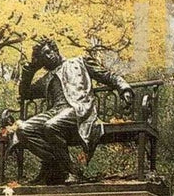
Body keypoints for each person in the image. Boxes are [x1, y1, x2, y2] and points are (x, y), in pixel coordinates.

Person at [10, 38, 133, 185]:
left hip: (78, 109)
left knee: (51, 126)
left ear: (55, 49)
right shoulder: (47, 78)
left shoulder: (80, 62)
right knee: (23, 129)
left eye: (49, 52)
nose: (48, 57)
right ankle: (59, 165)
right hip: (55, 112)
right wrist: (30, 68)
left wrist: (124, 88)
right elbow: (25, 93)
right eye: (44, 57)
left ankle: (70, 171)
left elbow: (107, 75)